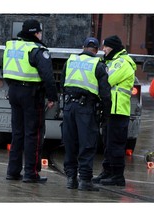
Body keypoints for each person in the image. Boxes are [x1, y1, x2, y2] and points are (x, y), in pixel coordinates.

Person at [3, 19, 58, 183]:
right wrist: (52, 97)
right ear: (36, 33)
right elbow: (47, 76)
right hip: (31, 94)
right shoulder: (38, 50)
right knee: (33, 134)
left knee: (17, 133)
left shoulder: (12, 46)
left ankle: (12, 172)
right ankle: (31, 173)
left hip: (14, 91)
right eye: (40, 32)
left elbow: (5, 69)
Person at [61, 37, 112, 191]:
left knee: (70, 144)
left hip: (69, 107)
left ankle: (71, 179)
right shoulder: (98, 65)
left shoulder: (70, 61)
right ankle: (85, 180)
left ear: (83, 47)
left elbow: (63, 84)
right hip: (86, 110)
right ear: (96, 50)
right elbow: (105, 94)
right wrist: (105, 115)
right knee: (87, 144)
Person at [92, 35, 136, 186]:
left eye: (106, 47)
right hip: (111, 109)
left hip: (118, 110)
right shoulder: (113, 62)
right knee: (108, 143)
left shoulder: (122, 63)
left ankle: (117, 176)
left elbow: (106, 80)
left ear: (113, 48)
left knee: (115, 144)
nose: (103, 49)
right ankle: (108, 171)